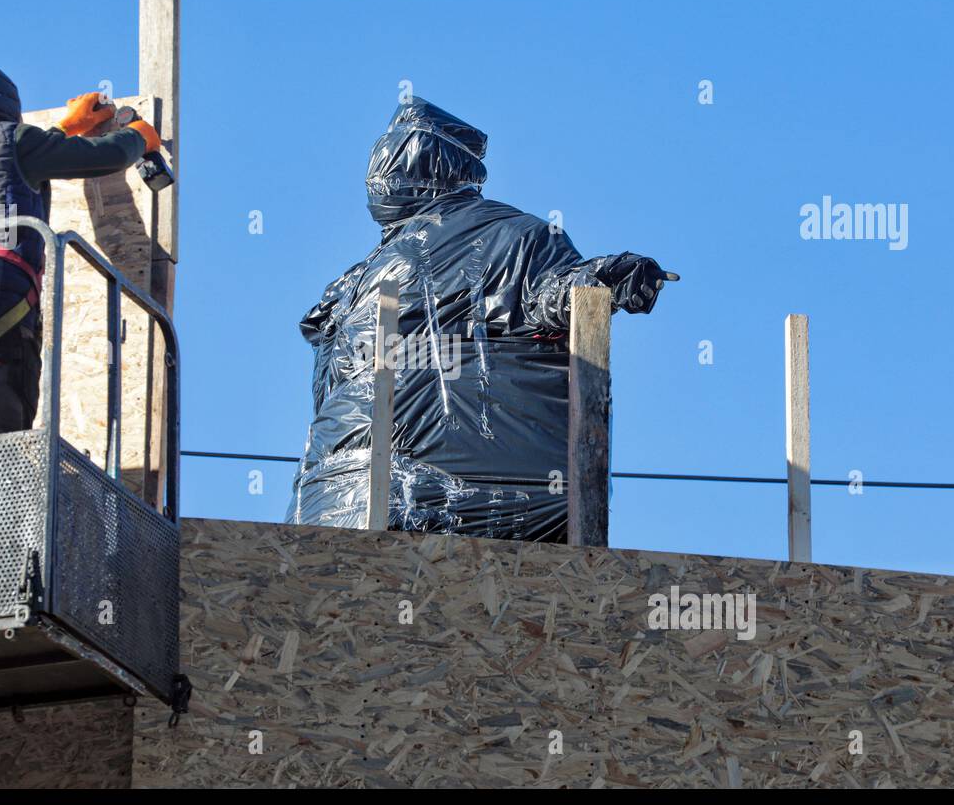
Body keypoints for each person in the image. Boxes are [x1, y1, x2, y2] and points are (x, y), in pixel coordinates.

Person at [285, 97, 674, 542]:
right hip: (350, 500)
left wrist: (600, 280)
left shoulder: (507, 238)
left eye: (393, 160)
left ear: (432, 166)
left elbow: (554, 293)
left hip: (453, 499)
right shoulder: (360, 276)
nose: (380, 178)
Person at [0, 58, 160, 440]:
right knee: (1, 424)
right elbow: (106, 157)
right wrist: (138, 137)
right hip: (0, 302)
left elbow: (7, 173)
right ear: (3, 98)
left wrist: (65, 129)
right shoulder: (13, 139)